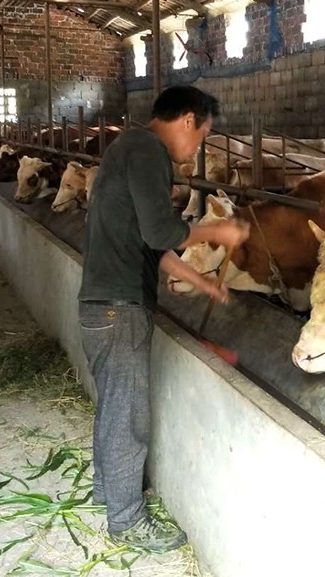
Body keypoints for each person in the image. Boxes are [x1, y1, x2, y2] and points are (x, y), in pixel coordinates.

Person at [78, 85, 249, 553]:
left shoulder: (129, 148)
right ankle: (127, 519)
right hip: (119, 308)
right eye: (203, 136)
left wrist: (202, 282)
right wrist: (217, 229)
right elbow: (161, 232)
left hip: (102, 307)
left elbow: (151, 245)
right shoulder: (148, 150)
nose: (196, 151)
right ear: (188, 120)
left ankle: (107, 489)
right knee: (129, 413)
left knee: (115, 405)